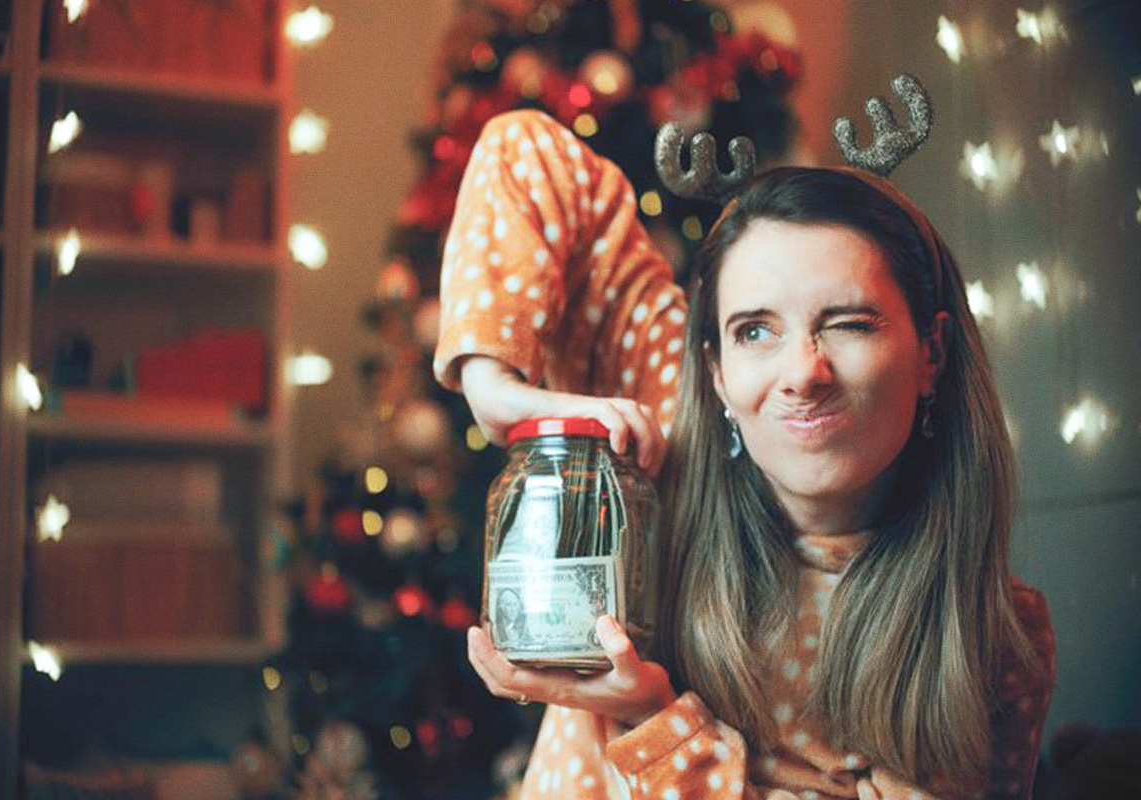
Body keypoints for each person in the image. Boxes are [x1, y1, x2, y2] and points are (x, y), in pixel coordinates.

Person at [433, 81, 1056, 799]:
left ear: (931, 354)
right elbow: (525, 150)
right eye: (755, 331)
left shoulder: (999, 633)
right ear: (715, 373)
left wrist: (650, 720)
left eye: (849, 323)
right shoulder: (667, 417)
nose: (804, 374)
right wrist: (499, 396)